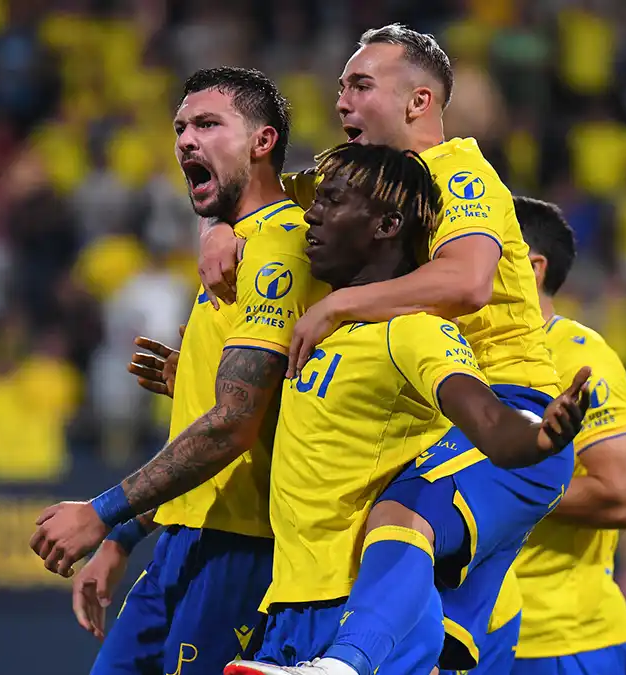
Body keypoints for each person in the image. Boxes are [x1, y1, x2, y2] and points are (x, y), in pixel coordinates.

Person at [198, 26, 572, 675]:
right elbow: (259, 198)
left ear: (418, 102)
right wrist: (220, 227)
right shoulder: (361, 182)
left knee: (400, 516)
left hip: (498, 405)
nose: (341, 100)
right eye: (341, 85)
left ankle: (340, 665)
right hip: (427, 418)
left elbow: (468, 280)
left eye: (361, 85)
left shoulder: (457, 173)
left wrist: (340, 304)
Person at [29, 66, 324, 675]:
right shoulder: (233, 247)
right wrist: (125, 537)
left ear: (263, 141)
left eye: (208, 124)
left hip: (243, 546)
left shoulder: (279, 248)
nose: (186, 139)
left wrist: (102, 513)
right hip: (184, 538)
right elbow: (207, 418)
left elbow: (234, 424)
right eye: (181, 127)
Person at [503, 197, 626, 675]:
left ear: (533, 267)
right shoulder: (457, 350)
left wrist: (501, 484)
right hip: (473, 634)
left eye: (487, 247)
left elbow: (617, 499)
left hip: (559, 641)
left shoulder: (581, 359)